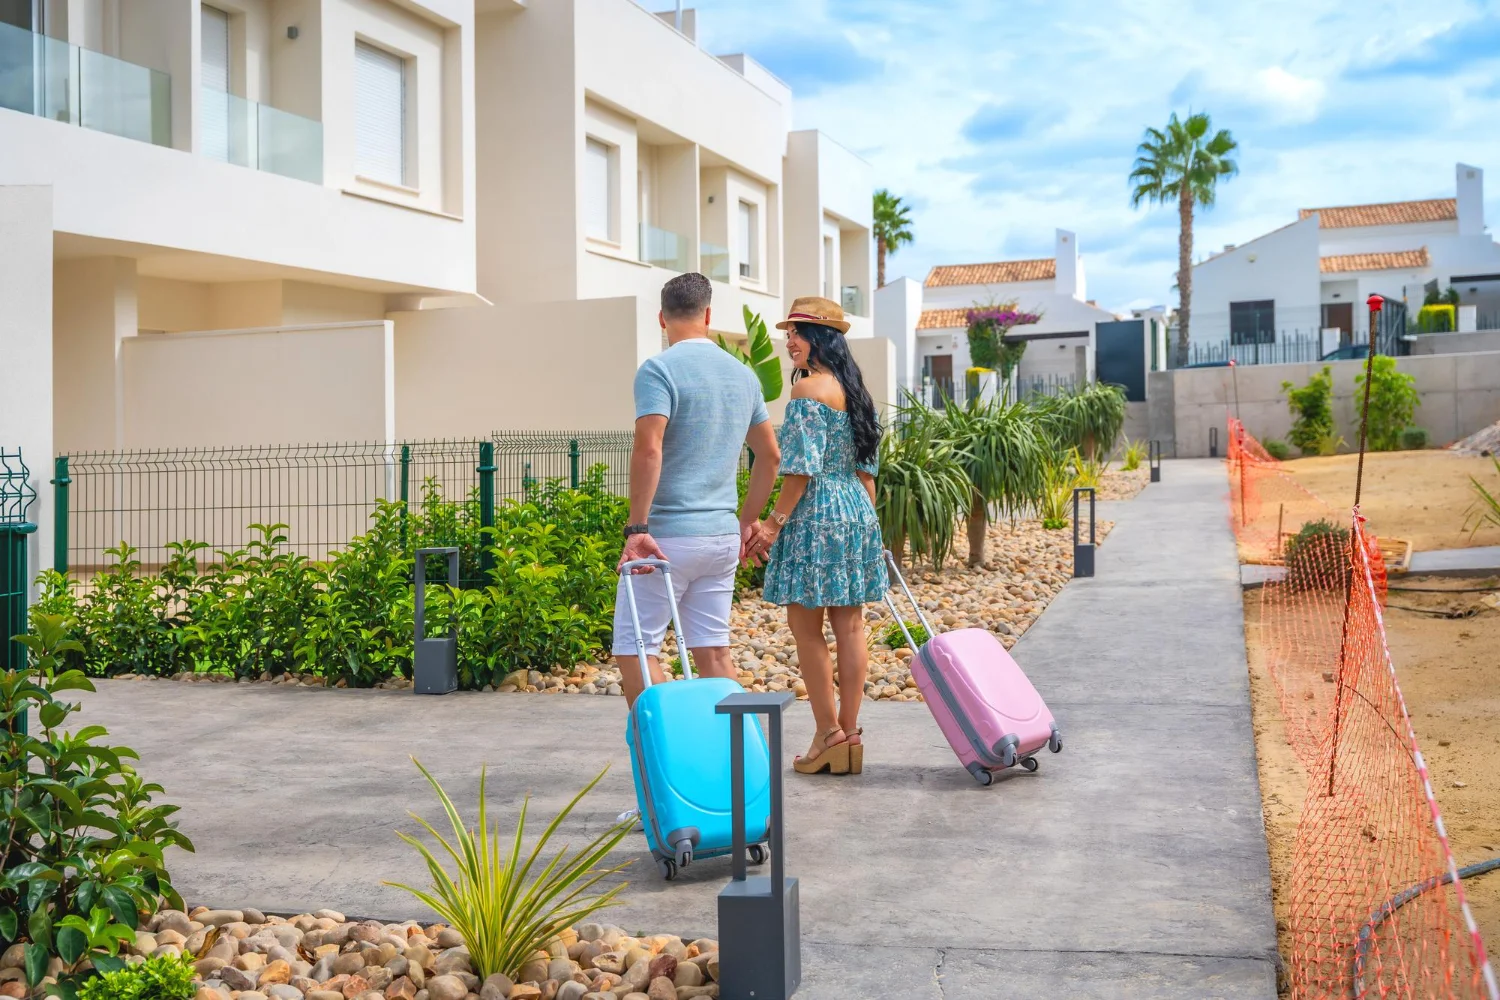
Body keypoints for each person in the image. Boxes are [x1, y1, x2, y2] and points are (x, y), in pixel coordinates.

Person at [614, 271, 781, 709]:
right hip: (722, 537)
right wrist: (747, 522)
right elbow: (770, 457)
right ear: (708, 315)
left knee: (635, 647)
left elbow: (649, 449)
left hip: (667, 538)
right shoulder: (744, 375)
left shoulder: (658, 369)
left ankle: (664, 752)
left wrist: (637, 528)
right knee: (712, 650)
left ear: (662, 319)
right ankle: (740, 760)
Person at [743, 296, 886, 776]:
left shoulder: (807, 392)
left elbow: (798, 471)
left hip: (816, 514)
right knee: (850, 626)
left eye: (799, 331)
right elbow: (868, 473)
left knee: (807, 629)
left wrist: (771, 525)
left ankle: (827, 735)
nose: (790, 340)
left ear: (822, 338)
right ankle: (848, 732)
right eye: (789, 332)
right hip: (855, 511)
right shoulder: (856, 393)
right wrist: (869, 527)